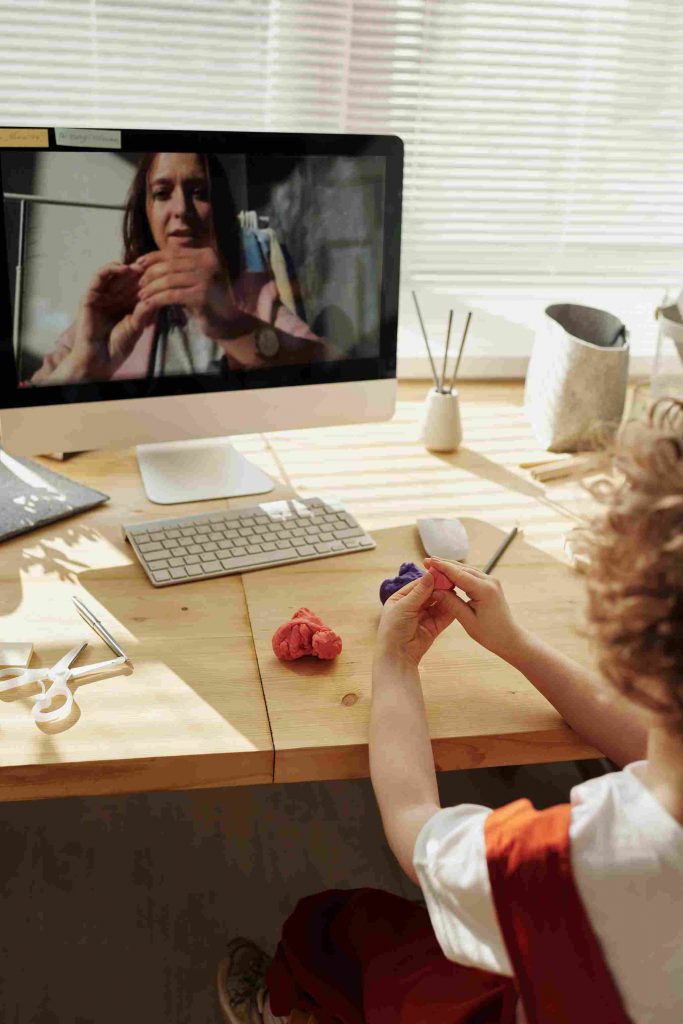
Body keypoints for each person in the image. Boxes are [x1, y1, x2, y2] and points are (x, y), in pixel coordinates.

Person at [217, 397, 683, 1024]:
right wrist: (517, 646)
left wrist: (396, 663)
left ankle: (288, 1006)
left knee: (336, 928)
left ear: (627, 658)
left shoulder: (558, 867)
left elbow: (415, 825)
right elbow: (649, 745)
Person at [30, 152, 336, 385]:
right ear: (146, 211)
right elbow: (16, 427)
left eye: (200, 193)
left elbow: (333, 367)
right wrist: (83, 366)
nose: (181, 211)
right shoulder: (112, 305)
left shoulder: (252, 295)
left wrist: (234, 328)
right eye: (162, 193)